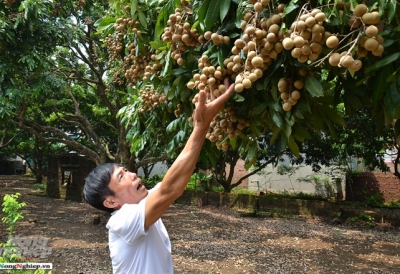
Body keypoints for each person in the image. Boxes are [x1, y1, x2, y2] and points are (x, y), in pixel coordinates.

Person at [83, 79, 234, 274]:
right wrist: (201, 125)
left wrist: (204, 125)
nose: (132, 175)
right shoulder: (121, 221)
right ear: (111, 202)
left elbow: (175, 182)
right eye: (121, 177)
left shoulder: (142, 206)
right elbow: (171, 189)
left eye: (126, 170)